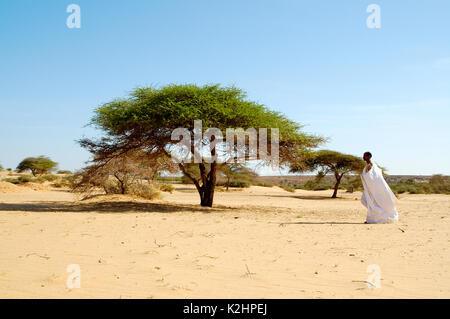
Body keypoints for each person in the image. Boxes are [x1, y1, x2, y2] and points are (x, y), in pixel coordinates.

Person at [360, 152, 398, 223]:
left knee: (372, 202)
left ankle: (377, 218)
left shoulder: (371, 166)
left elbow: (373, 177)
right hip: (371, 188)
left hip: (374, 188)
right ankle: (373, 218)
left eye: (364, 155)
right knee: (369, 201)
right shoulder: (369, 165)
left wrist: (371, 185)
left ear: (368, 156)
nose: (363, 157)